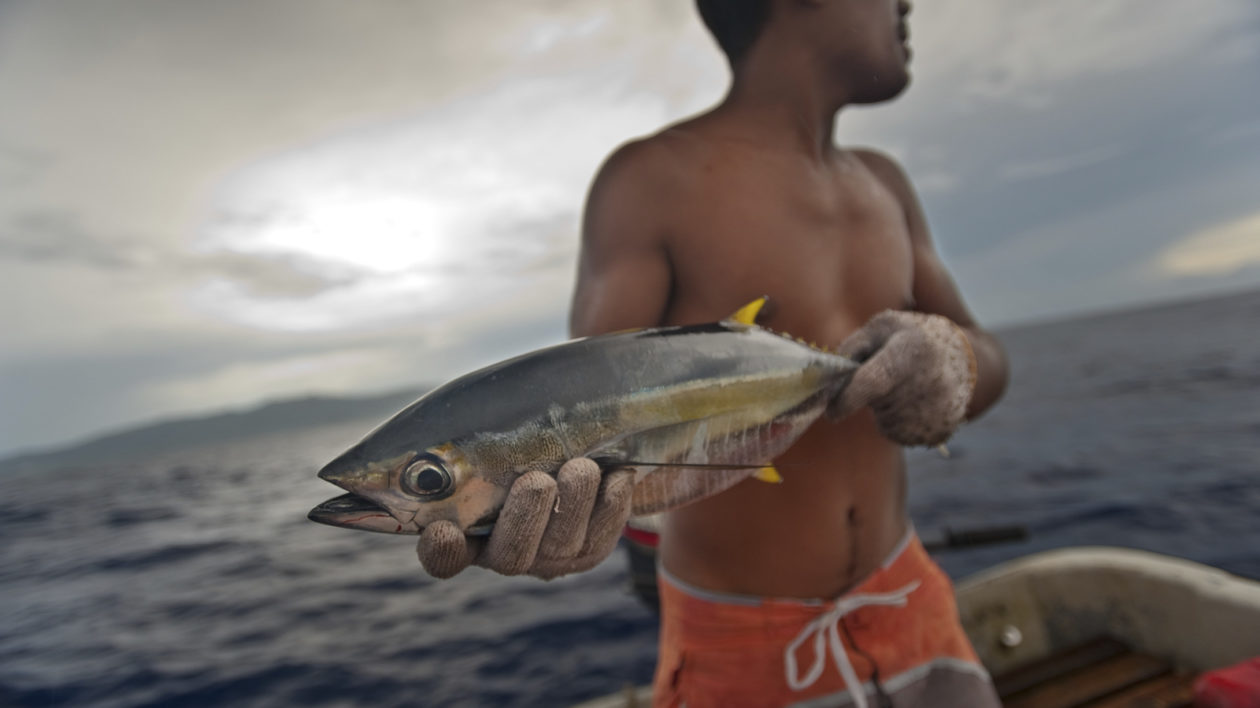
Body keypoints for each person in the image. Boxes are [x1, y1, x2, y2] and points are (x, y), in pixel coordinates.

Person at [417, 0, 1009, 705]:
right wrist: (539, 516)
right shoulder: (652, 183)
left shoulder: (886, 185)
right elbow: (582, 414)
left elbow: (989, 356)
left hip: (912, 599)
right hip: (740, 649)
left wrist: (951, 362)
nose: (909, 3)